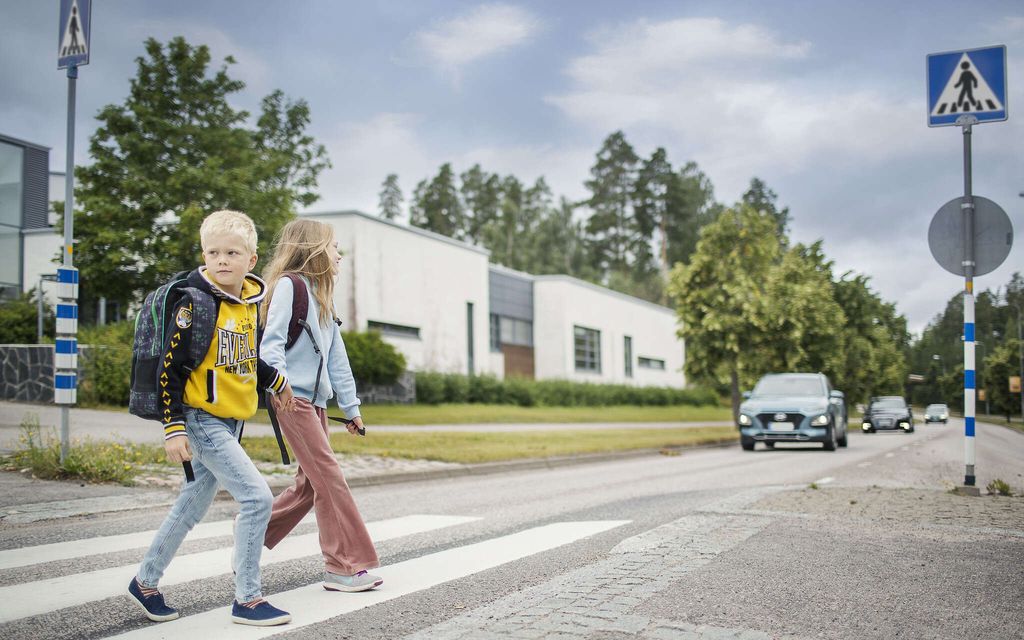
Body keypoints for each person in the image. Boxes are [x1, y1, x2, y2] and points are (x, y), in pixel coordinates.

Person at [128, 210, 295, 626]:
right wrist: (173, 427)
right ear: (204, 254)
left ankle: (145, 582)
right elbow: (171, 368)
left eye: (232, 252)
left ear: (251, 260)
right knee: (257, 498)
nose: (222, 260)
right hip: (200, 418)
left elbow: (246, 356)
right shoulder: (194, 304)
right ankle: (248, 599)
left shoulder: (248, 303)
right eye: (213, 252)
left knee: (192, 504)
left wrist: (275, 381)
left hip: (231, 421)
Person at [259, 218, 383, 592]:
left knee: (310, 486)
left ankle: (251, 532)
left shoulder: (321, 296)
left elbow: (337, 359)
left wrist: (352, 407)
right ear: (313, 250)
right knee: (330, 479)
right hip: (291, 397)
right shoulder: (288, 287)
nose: (338, 254)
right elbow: (272, 344)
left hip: (315, 403)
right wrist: (278, 384)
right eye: (333, 247)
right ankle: (342, 566)